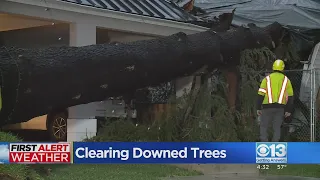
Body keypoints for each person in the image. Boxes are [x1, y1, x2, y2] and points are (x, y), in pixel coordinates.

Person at [256, 59, 294, 142]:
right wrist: (288, 110)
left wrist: (258, 107)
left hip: (267, 107)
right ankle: (275, 144)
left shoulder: (267, 79)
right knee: (277, 127)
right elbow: (290, 97)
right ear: (283, 68)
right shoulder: (286, 80)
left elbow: (261, 94)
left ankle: (264, 143)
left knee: (264, 126)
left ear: (273, 68)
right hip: (280, 107)